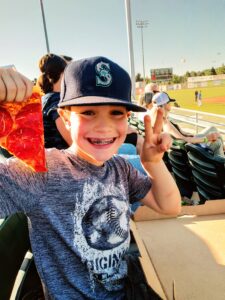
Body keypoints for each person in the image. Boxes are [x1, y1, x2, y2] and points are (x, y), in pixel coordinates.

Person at [0, 57, 181, 299]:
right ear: (65, 117)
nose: (104, 126)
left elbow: (169, 206)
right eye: (88, 112)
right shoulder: (41, 171)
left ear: (127, 118)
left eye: (116, 112)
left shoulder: (119, 168)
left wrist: (153, 163)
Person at [149, 92, 224, 156]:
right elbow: (185, 140)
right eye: (169, 102)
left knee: (212, 128)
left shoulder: (162, 120)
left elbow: (182, 135)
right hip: (192, 148)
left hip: (189, 144)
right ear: (164, 105)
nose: (170, 104)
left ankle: (222, 151)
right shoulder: (166, 125)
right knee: (218, 142)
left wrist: (193, 135)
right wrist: (206, 138)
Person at [37, 53, 73, 149]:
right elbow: (72, 142)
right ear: (62, 73)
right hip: (62, 160)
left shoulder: (44, 99)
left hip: (50, 158)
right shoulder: (56, 100)